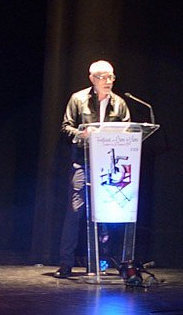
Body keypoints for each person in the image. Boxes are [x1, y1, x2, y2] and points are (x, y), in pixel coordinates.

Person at [55, 60, 130, 278]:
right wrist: (82, 134)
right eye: (103, 77)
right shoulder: (78, 99)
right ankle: (66, 263)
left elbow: (128, 131)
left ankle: (98, 264)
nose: (108, 81)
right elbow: (65, 128)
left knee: (105, 214)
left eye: (111, 77)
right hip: (83, 162)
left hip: (109, 165)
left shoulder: (120, 103)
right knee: (75, 211)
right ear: (92, 79)